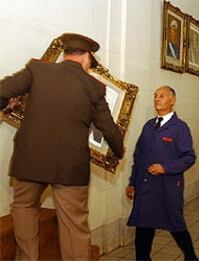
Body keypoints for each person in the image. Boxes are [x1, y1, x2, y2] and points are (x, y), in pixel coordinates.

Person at [0, 33, 124, 260]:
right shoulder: (94, 86)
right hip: (70, 166)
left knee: (24, 210)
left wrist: (5, 105)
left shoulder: (37, 70)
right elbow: (107, 127)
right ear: (87, 57)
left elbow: (2, 90)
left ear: (65, 54)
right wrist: (118, 151)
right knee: (74, 225)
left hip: (29, 160)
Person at [126, 86, 198, 261]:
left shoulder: (179, 128)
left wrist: (165, 167)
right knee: (143, 226)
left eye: (162, 96)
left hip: (168, 186)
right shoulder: (149, 126)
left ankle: (190, 257)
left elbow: (189, 157)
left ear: (172, 100)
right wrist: (132, 182)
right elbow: (138, 156)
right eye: (155, 96)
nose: (157, 99)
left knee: (175, 224)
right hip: (145, 186)